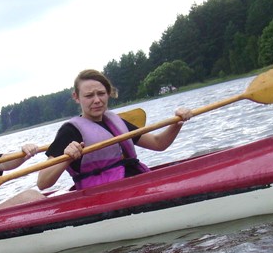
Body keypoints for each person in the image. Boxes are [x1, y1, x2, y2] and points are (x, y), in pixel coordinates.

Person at [37, 69, 192, 191]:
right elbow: (43, 182)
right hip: (101, 195)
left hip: (135, 182)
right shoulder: (70, 131)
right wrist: (67, 158)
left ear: (108, 93)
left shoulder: (116, 122)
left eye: (101, 93)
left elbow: (158, 143)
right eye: (89, 96)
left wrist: (177, 122)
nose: (97, 100)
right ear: (76, 97)